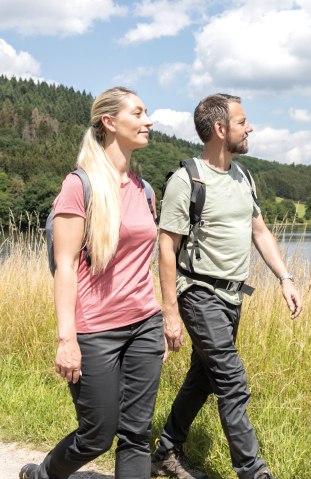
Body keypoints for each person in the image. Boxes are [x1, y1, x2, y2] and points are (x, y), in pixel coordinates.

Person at [152, 93, 303, 479]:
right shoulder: (187, 181)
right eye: (242, 121)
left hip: (233, 295)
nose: (249, 127)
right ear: (220, 129)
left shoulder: (243, 175)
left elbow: (260, 230)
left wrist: (285, 278)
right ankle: (253, 472)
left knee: (203, 379)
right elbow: (166, 248)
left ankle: (166, 450)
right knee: (232, 382)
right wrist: (170, 313)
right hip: (198, 293)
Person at [19, 87, 165, 479]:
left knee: (136, 434)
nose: (148, 120)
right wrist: (67, 339)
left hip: (145, 325)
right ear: (109, 122)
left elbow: (142, 262)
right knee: (97, 434)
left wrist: (165, 320)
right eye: (139, 112)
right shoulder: (78, 185)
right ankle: (43, 474)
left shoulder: (144, 188)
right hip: (95, 330)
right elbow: (64, 265)